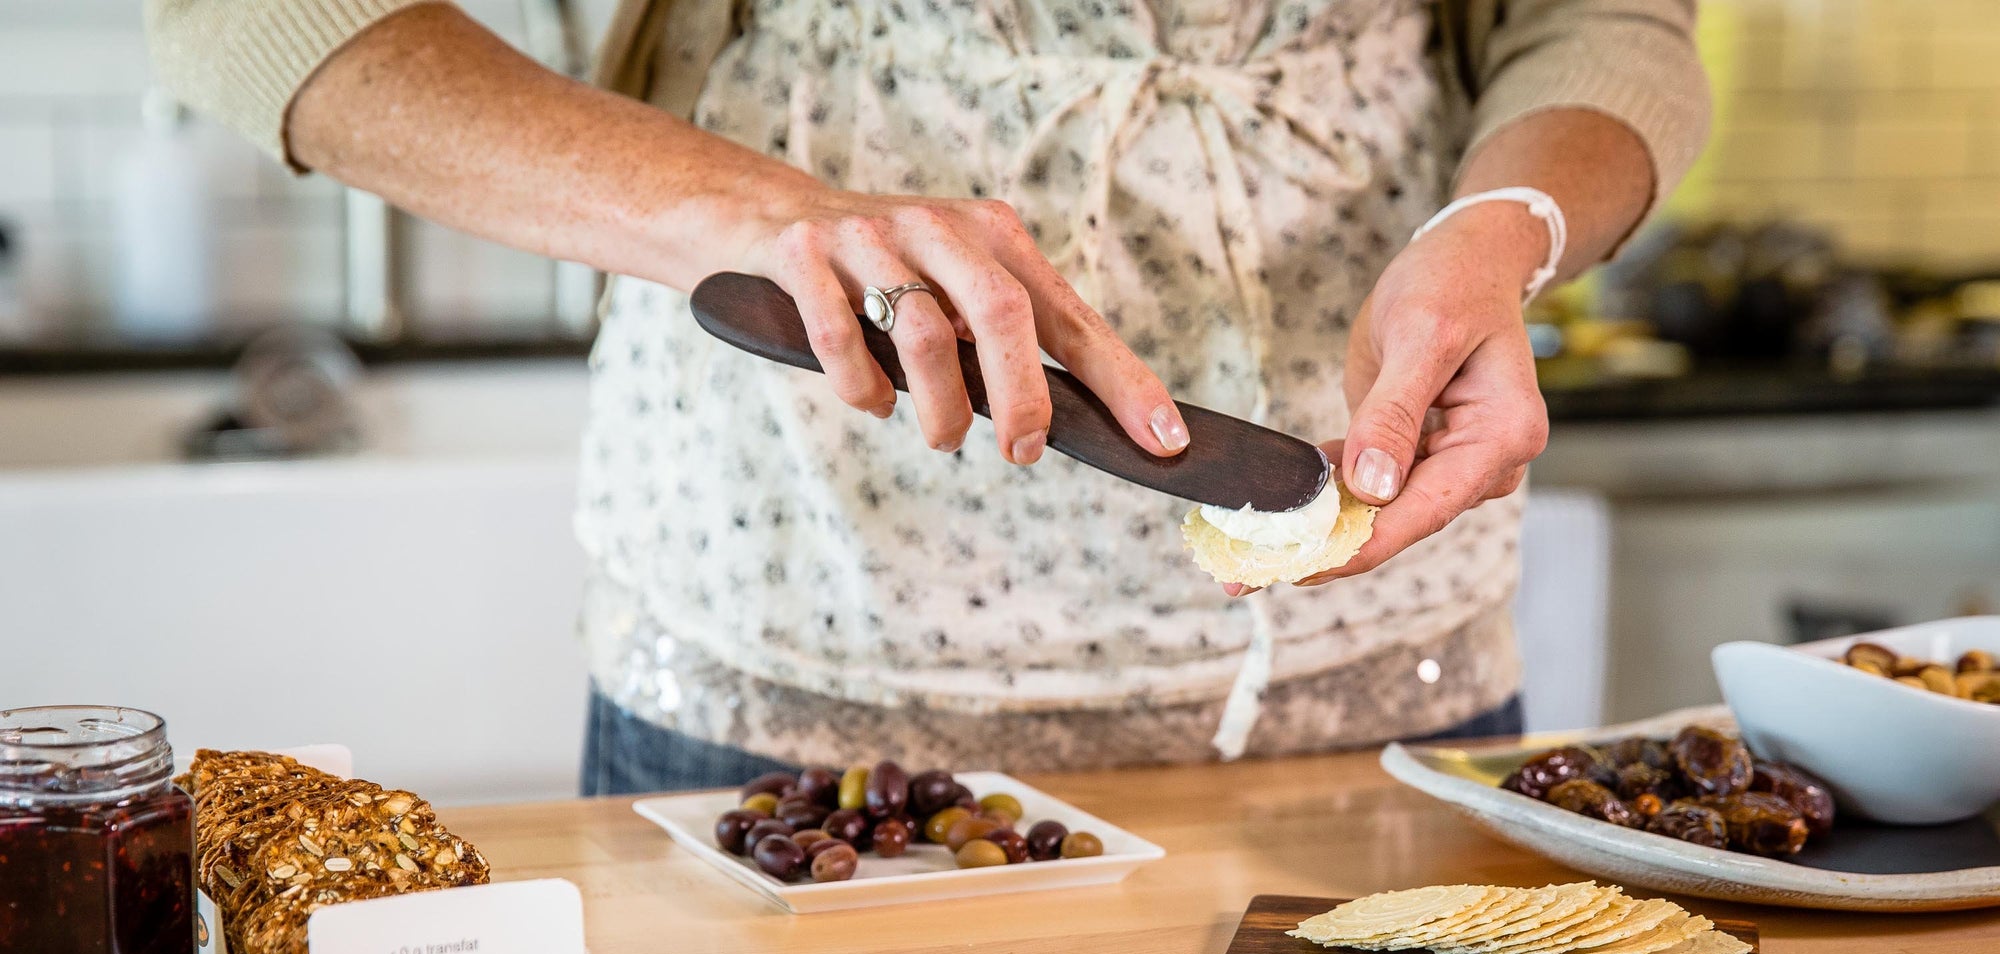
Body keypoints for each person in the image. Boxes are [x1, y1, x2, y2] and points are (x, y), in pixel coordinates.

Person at [147, 0, 1707, 792]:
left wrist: (1508, 226)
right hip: (790, 669)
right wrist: (746, 216)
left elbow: (1607, 25)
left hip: (1379, 672)